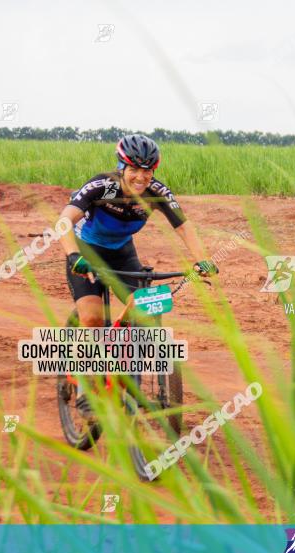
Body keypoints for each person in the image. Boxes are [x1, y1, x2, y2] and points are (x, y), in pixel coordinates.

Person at [57, 134, 217, 418]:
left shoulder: (156, 193)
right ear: (122, 167)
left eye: (147, 170)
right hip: (86, 251)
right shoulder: (103, 187)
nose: (141, 177)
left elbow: (184, 227)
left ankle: (124, 375)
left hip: (121, 252)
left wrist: (202, 260)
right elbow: (64, 221)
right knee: (92, 319)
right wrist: (73, 256)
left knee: (141, 309)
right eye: (134, 169)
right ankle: (84, 387)